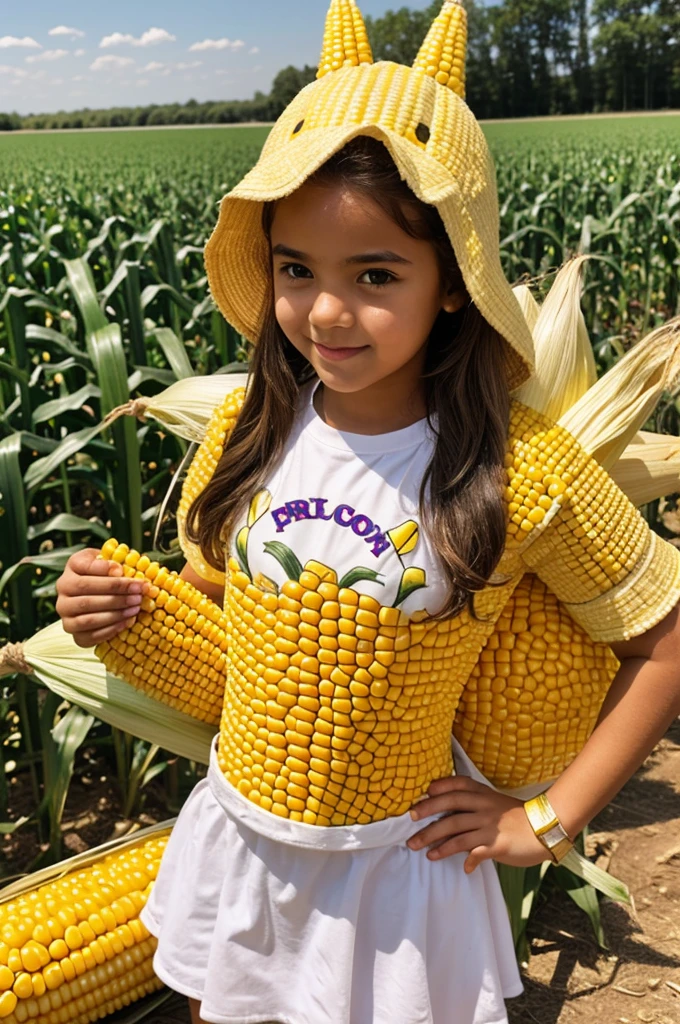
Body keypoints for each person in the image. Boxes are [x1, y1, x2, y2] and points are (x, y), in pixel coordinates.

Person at [55, 2, 680, 1022]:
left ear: (452, 283)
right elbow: (227, 619)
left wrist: (548, 821)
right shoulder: (247, 430)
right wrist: (127, 610)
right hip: (242, 838)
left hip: (396, 873)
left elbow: (660, 638)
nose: (324, 312)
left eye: (374, 275)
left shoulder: (520, 469)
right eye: (295, 269)